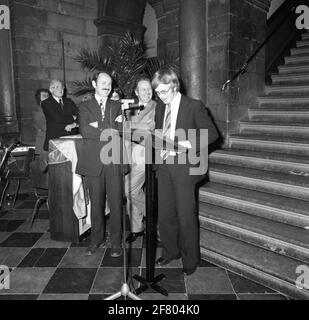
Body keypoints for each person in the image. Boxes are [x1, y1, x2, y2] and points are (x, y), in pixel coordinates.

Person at [152, 67, 219, 276]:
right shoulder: (161, 107)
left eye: (163, 92)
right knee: (164, 214)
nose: (160, 96)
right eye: (157, 93)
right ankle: (171, 251)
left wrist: (184, 144)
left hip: (185, 167)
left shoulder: (194, 106)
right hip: (164, 166)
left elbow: (212, 134)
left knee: (185, 215)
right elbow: (160, 133)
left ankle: (191, 259)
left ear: (174, 86)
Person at [75, 72, 125, 257]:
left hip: (114, 161)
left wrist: (100, 126)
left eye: (109, 83)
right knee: (96, 204)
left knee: (116, 204)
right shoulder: (84, 106)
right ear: (94, 83)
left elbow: (122, 129)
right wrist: (110, 126)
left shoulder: (117, 105)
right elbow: (86, 130)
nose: (107, 86)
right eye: (103, 82)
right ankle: (96, 240)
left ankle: (116, 243)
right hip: (93, 162)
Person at [124, 77, 156, 243]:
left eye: (149, 88)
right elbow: (124, 130)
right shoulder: (131, 109)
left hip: (145, 156)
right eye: (143, 89)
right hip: (130, 155)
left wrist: (132, 127)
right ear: (136, 92)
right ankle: (137, 228)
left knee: (129, 190)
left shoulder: (158, 107)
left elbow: (151, 129)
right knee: (131, 194)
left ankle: (152, 216)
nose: (147, 91)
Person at [41, 80, 78, 151]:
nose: (60, 89)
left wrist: (74, 124)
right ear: (51, 90)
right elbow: (57, 118)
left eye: (62, 87)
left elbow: (79, 115)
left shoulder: (69, 101)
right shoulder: (46, 103)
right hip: (55, 140)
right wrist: (72, 117)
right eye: (57, 87)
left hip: (71, 139)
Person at [32, 88, 50, 172]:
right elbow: (45, 127)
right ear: (39, 98)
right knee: (44, 173)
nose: (47, 97)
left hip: (52, 144)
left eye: (48, 96)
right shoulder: (37, 112)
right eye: (44, 96)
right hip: (43, 145)